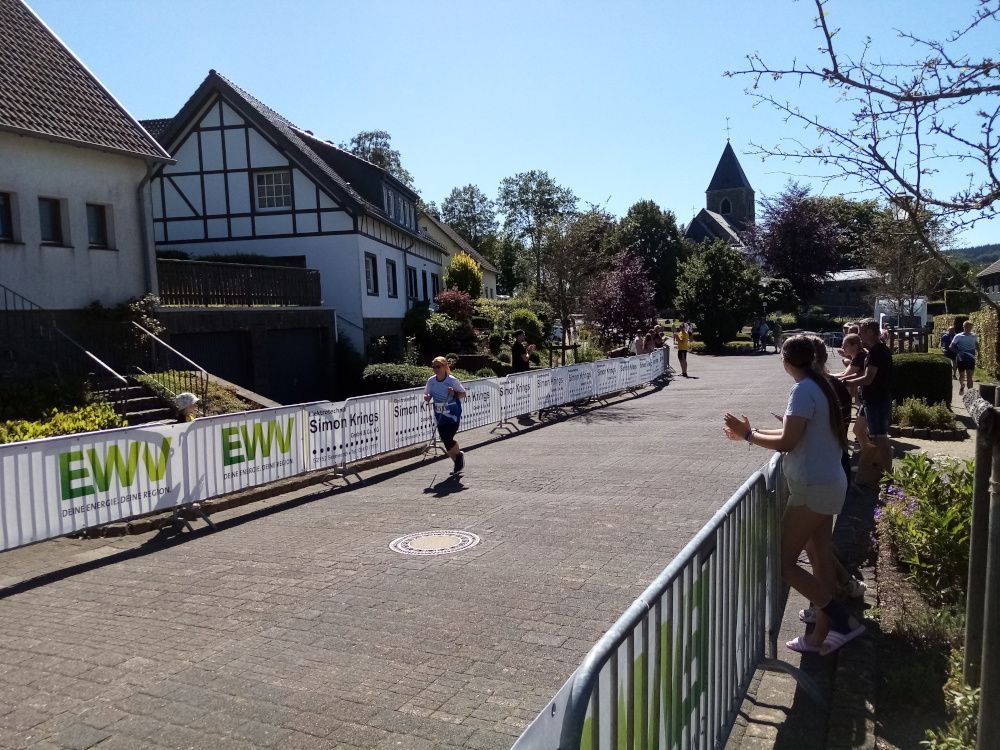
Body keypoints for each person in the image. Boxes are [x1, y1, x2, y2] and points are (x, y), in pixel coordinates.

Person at [723, 335, 864, 655]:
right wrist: (751, 434)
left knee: (781, 562)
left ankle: (841, 620)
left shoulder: (802, 390)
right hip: (826, 484)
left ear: (786, 362)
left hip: (813, 489)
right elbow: (795, 434)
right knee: (820, 559)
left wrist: (749, 434)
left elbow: (787, 442)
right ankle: (821, 636)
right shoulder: (820, 385)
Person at [842, 318, 893, 483]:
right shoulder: (874, 350)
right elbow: (865, 375)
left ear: (870, 332)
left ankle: (888, 475)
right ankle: (870, 462)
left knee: (880, 437)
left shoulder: (877, 351)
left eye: (862, 332)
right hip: (870, 399)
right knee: (858, 430)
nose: (859, 336)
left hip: (877, 399)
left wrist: (847, 382)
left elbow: (868, 378)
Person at [424, 356, 467, 473]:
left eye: (438, 366)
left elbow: (463, 394)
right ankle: (458, 461)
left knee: (448, 438)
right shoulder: (431, 381)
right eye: (434, 367)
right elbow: (427, 394)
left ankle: (459, 457)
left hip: (453, 414)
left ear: (444, 366)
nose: (435, 369)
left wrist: (453, 393)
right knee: (445, 439)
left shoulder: (452, 380)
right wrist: (427, 397)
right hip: (440, 415)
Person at [833, 333, 873, 451]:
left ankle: (872, 452)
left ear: (854, 346)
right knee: (859, 430)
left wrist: (826, 376)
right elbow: (847, 375)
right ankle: (868, 450)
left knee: (865, 430)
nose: (842, 348)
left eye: (845, 345)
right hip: (865, 394)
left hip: (869, 395)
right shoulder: (859, 355)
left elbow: (845, 375)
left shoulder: (860, 357)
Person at [950, 320, 979, 395]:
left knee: (969, 376)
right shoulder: (958, 336)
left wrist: (979, 353)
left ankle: (970, 393)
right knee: (962, 375)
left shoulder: (974, 336)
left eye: (970, 327)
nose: (968, 328)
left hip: (971, 358)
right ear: (963, 327)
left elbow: (977, 345)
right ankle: (962, 385)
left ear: (972, 328)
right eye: (966, 327)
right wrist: (958, 352)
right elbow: (951, 347)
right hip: (961, 358)